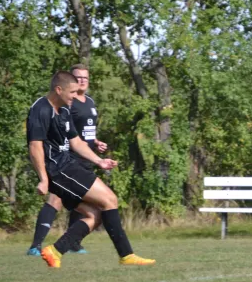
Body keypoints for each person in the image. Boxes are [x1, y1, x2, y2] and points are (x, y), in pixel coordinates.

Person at [26, 71, 155, 267]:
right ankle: (126, 255)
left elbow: (76, 142)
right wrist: (43, 179)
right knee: (110, 199)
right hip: (59, 170)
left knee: (95, 215)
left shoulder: (65, 109)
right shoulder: (41, 109)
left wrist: (99, 161)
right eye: (72, 92)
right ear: (59, 90)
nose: (74, 96)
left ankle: (55, 251)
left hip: (68, 165)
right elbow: (35, 146)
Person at [26, 64, 107, 256]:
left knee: (82, 204)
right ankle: (36, 245)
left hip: (85, 156)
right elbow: (56, 137)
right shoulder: (66, 103)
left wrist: (95, 143)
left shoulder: (89, 102)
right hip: (67, 159)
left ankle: (72, 242)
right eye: (78, 78)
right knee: (56, 199)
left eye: (85, 78)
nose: (81, 81)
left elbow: (81, 134)